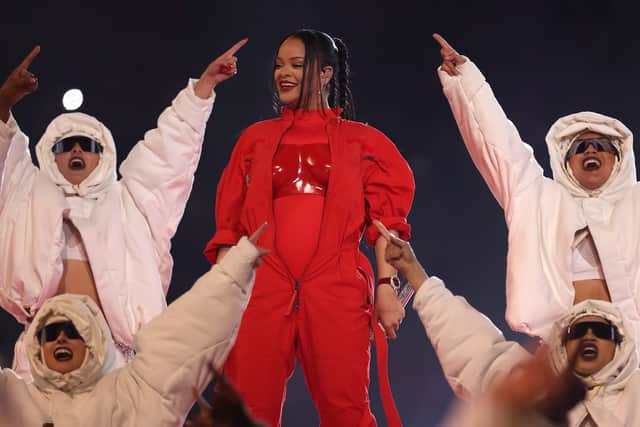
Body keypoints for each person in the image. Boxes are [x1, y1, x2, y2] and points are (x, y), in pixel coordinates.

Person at [204, 29, 415, 426]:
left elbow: (387, 224)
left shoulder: (362, 142)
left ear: (325, 74)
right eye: (279, 65)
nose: (283, 73)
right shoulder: (254, 141)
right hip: (261, 287)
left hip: (336, 287)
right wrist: (221, 298)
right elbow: (229, 227)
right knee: (243, 411)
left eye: (297, 65)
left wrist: (386, 288)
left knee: (347, 412)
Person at [0, 39, 246, 378]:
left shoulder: (131, 201)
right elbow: (4, 159)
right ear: (49, 154)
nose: (76, 150)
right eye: (64, 144)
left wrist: (201, 89)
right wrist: (4, 101)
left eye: (87, 145)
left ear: (103, 155)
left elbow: (169, 154)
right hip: (39, 354)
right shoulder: (27, 193)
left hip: (114, 363)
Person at [432, 33, 640, 341]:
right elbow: (500, 145)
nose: (590, 151)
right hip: (560, 354)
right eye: (579, 148)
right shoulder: (541, 199)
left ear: (620, 159)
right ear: (565, 162)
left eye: (601, 145)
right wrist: (467, 80)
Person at [375, 220, 640, 426]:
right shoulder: (527, 385)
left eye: (603, 331)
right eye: (578, 330)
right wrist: (415, 274)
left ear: (621, 344)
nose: (589, 336)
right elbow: (471, 343)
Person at [0, 229, 265, 426]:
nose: (60, 339)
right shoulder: (16, 399)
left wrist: (234, 270)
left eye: (72, 332)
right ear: (37, 348)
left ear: (92, 342)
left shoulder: (130, 394)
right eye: (50, 334)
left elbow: (187, 333)